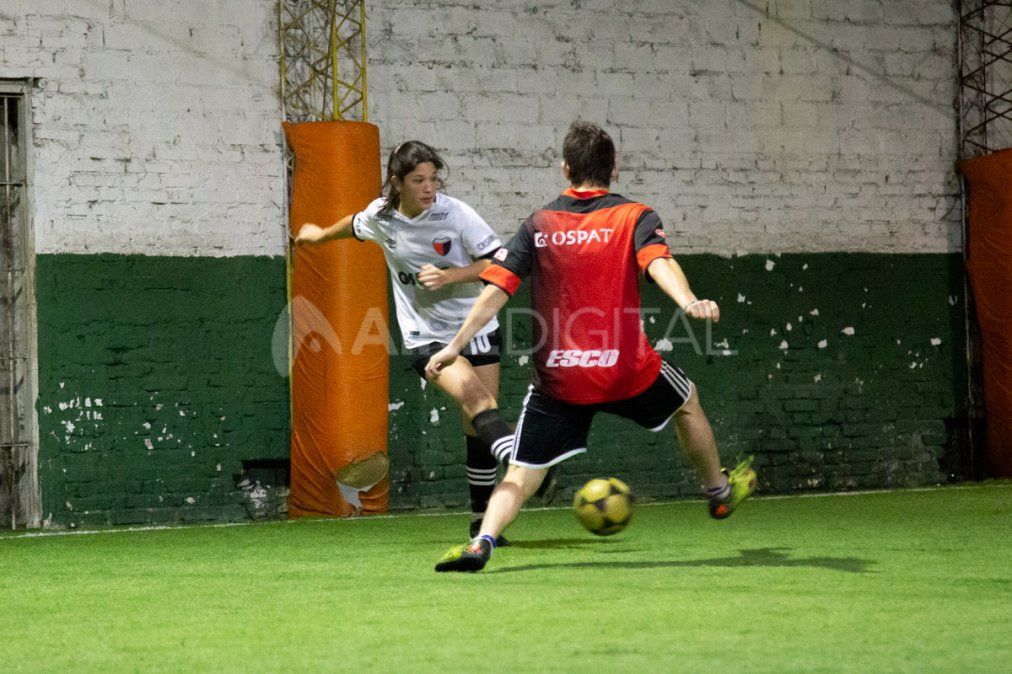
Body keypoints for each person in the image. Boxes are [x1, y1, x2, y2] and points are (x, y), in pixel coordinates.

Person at [426, 121, 757, 572]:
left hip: (560, 379)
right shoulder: (635, 216)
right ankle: (718, 492)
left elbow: (496, 290)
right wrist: (688, 301)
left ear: (566, 169)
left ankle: (482, 542)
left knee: (521, 472)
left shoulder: (539, 224)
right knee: (687, 400)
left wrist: (454, 345)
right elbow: (658, 261)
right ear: (613, 169)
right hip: (626, 370)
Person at [294, 140, 519, 541]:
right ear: (397, 182)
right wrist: (318, 236)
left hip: (477, 327)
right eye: (418, 180)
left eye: (433, 178)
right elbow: (352, 224)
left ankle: (482, 521)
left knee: (479, 424)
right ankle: (529, 465)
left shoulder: (456, 213)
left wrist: (452, 276)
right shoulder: (382, 216)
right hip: (425, 336)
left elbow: (500, 262)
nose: (429, 187)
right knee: (476, 400)